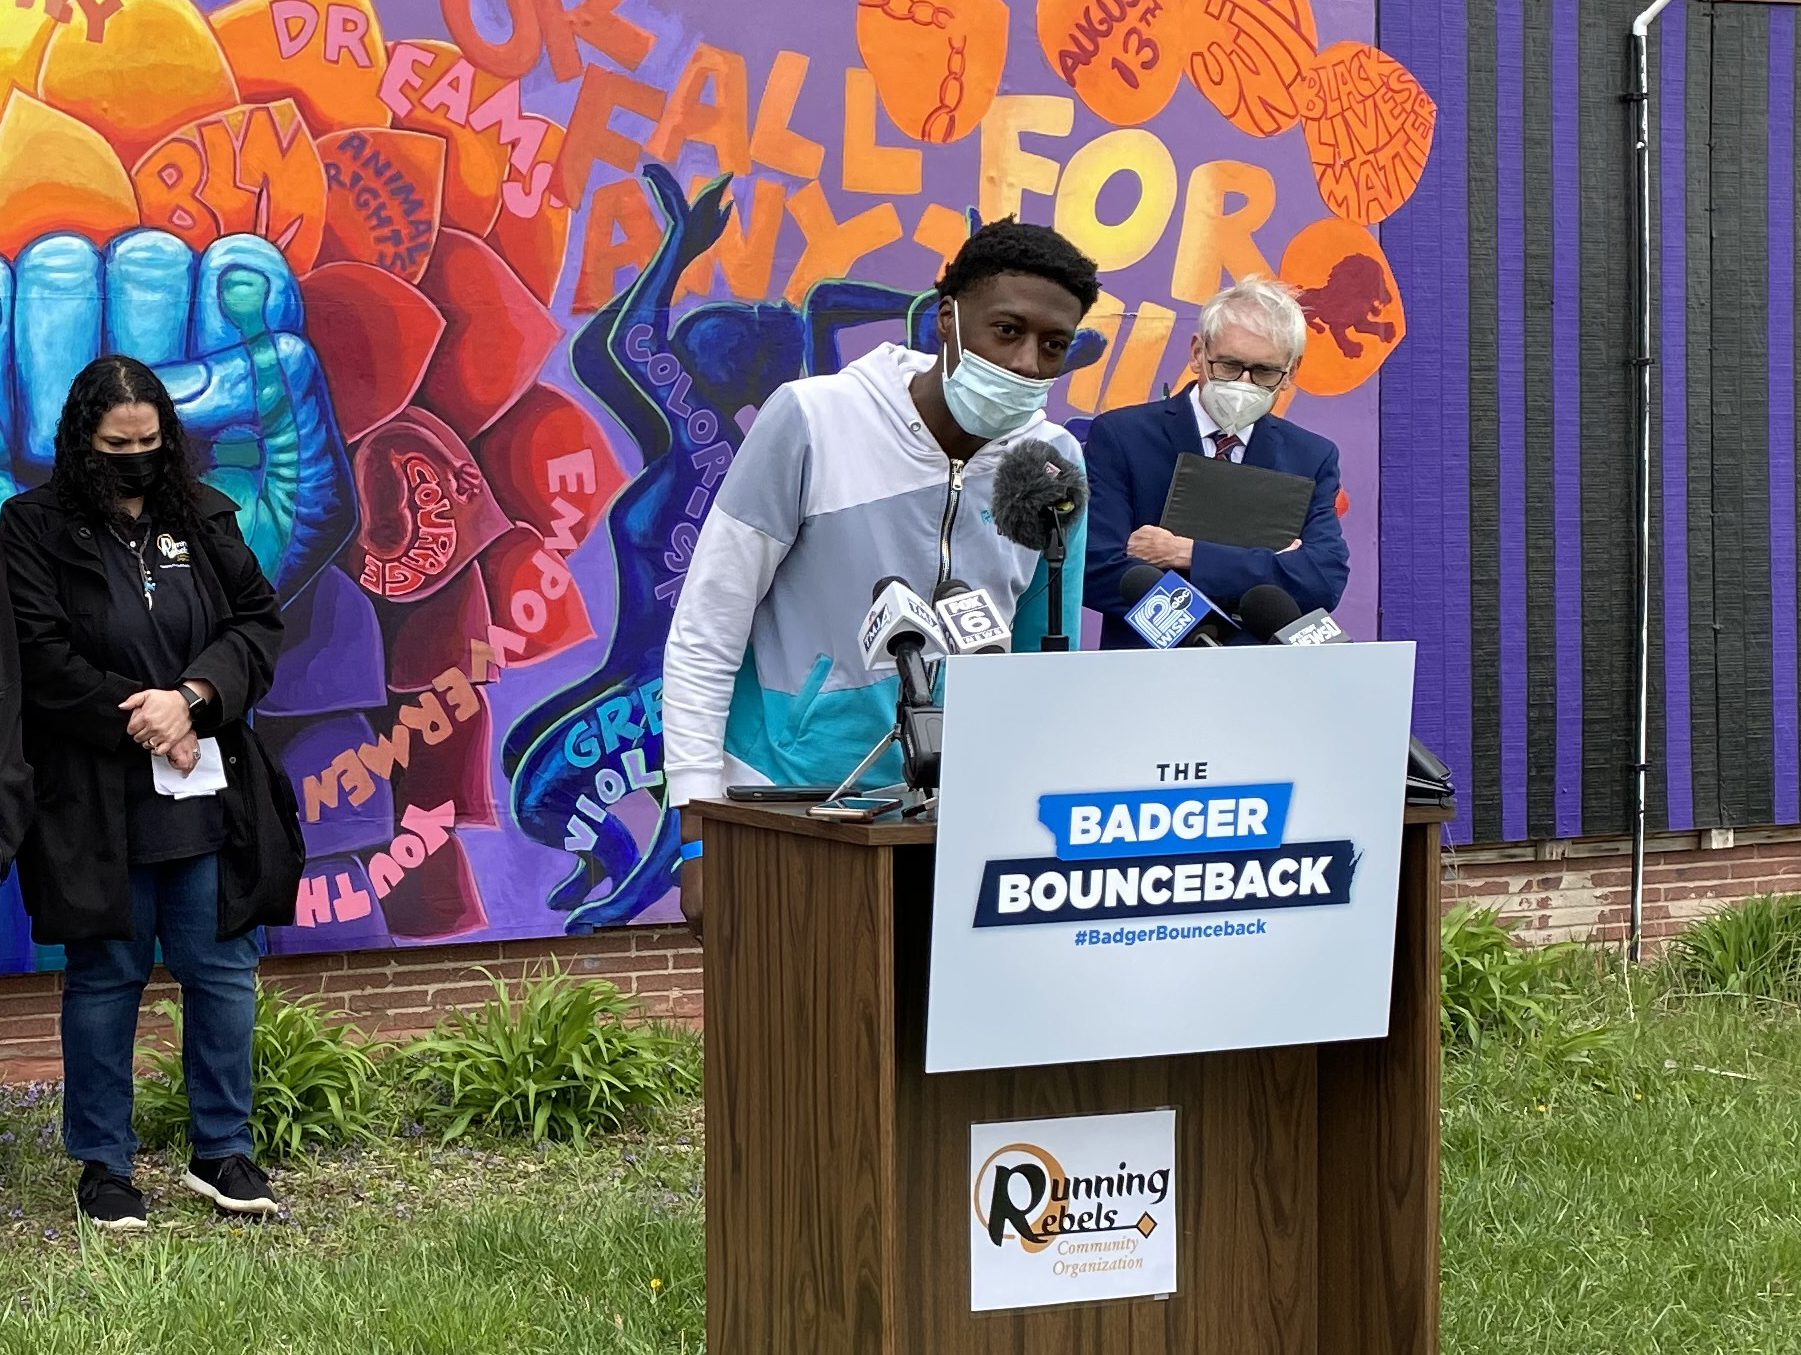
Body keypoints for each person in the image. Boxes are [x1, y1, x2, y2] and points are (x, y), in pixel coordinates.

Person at [663, 218, 1101, 937]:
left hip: (956, 819)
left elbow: (1039, 671)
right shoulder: (814, 420)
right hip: (787, 799)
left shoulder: (1051, 465)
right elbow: (707, 629)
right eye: (1006, 331)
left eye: (1051, 346)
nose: (1026, 363)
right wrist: (697, 831)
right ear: (946, 320)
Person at [0, 356, 304, 1231]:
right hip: (96, 797)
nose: (134, 458)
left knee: (222, 969)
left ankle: (224, 1151)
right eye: (115, 445)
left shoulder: (203, 515)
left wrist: (195, 699)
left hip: (207, 790)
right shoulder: (31, 528)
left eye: (148, 442)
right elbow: (40, 656)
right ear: (82, 442)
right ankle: (103, 1166)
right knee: (105, 974)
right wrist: (144, 718)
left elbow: (256, 621)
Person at [1083, 276, 1350, 649]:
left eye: (1264, 372)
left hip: (1265, 679)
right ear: (1197, 354)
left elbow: (1321, 580)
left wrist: (1185, 553)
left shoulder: (1311, 456)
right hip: (1146, 676)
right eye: (1228, 365)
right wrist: (1218, 621)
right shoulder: (1122, 437)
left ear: (1290, 373)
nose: (1244, 383)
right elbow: (1098, 569)